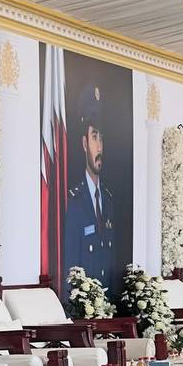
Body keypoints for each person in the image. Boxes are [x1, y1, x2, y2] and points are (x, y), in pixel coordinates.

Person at [64, 85, 117, 289]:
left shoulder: (108, 199)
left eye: (102, 138)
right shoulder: (74, 202)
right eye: (94, 137)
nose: (100, 147)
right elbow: (70, 268)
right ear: (85, 144)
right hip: (82, 304)